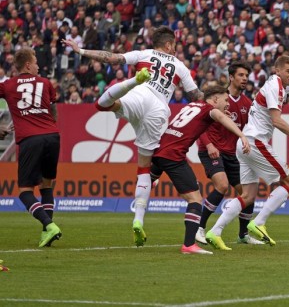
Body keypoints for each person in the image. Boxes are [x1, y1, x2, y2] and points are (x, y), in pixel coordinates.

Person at [63, 26, 202, 247]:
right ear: (168, 45)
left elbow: (111, 58)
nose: (175, 48)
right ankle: (138, 219)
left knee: (102, 105)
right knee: (144, 167)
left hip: (138, 95)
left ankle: (134, 81)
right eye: (174, 44)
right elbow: (196, 96)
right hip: (158, 111)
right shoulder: (180, 67)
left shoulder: (144, 53)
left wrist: (80, 51)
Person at [205, 55, 289, 246]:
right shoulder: (275, 86)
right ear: (278, 71)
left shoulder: (281, 85)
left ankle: (215, 231)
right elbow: (277, 120)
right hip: (255, 141)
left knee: (248, 196)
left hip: (245, 144)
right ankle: (259, 222)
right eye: (288, 71)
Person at [149, 84, 251, 254]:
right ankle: (189, 244)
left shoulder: (191, 105)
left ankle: (142, 202)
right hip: (174, 156)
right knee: (195, 200)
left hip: (160, 150)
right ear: (215, 99)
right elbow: (221, 117)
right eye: (225, 100)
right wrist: (242, 136)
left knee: (148, 180)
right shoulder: (208, 109)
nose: (228, 104)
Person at [194, 61, 265, 248]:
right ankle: (199, 228)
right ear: (231, 77)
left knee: (248, 194)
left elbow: (252, 128)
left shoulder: (247, 104)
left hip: (233, 155)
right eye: (240, 75)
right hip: (211, 150)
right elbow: (199, 124)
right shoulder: (216, 99)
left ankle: (242, 234)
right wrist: (209, 145)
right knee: (222, 185)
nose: (244, 79)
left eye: (246, 76)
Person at [0, 48, 62, 247]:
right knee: (47, 184)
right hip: (52, 137)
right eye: (35, 62)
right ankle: (47, 233)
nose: (38, 66)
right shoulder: (45, 83)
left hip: (30, 140)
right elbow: (53, 109)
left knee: (25, 192)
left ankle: (49, 225)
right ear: (27, 65)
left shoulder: (8, 85)